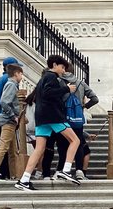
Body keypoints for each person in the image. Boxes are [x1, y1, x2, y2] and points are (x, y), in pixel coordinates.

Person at [17, 55, 82, 190]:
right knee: (75, 140)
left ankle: (24, 179)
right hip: (53, 116)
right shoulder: (51, 77)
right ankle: (66, 170)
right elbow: (49, 93)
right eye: (62, 67)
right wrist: (66, 89)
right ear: (54, 65)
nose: (64, 70)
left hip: (41, 117)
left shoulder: (42, 79)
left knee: (39, 149)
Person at [0, 62, 26, 181]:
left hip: (9, 121)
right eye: (21, 74)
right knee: (3, 146)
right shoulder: (11, 84)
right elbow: (4, 101)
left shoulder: (10, 84)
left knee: (12, 150)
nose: (22, 77)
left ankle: (14, 174)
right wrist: (13, 116)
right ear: (16, 73)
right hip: (8, 121)